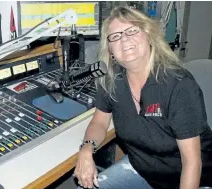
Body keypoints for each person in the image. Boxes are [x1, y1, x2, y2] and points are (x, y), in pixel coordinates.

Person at [74, 6, 212, 189]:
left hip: (191, 178)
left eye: (132, 31)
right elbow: (99, 122)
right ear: (110, 50)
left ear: (149, 36)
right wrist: (86, 149)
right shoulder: (112, 81)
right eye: (115, 36)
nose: (124, 39)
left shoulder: (179, 84)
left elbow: (192, 162)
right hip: (143, 169)